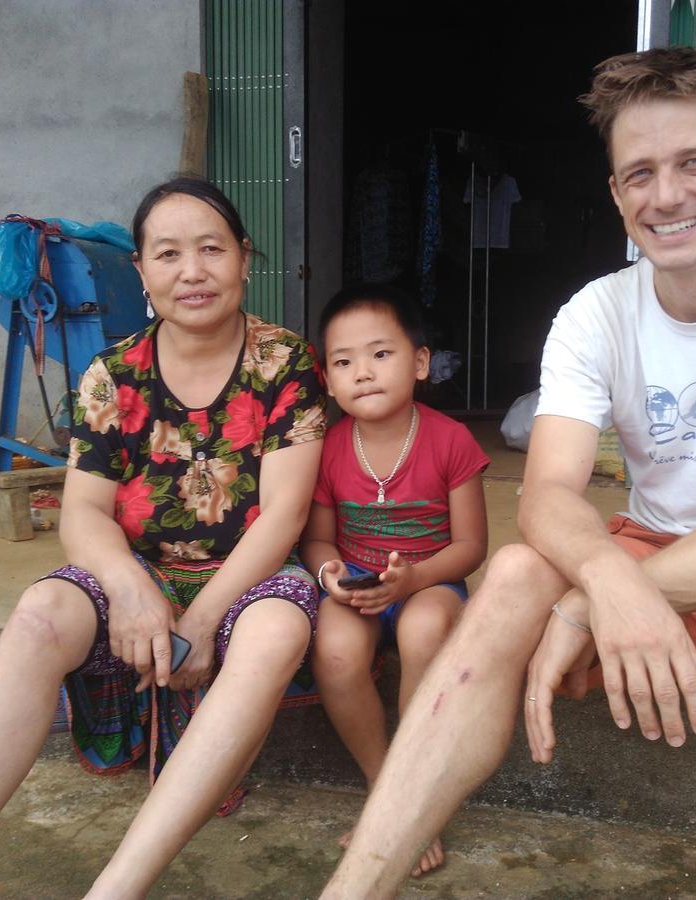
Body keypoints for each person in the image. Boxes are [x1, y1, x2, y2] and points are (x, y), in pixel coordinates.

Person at [321, 46, 696, 899]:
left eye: (694, 163)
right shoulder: (595, 313)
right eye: (639, 173)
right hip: (653, 542)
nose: (665, 195)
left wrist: (599, 599)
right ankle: (356, 887)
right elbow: (547, 495)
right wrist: (603, 579)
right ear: (616, 191)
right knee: (520, 569)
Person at [0, 176, 327, 900]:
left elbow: (283, 514)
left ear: (245, 260)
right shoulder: (111, 375)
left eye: (212, 249)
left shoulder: (285, 364)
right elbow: (83, 513)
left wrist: (204, 614)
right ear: (142, 271)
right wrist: (128, 588)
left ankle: (117, 889)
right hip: (139, 568)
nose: (193, 271)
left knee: (277, 629)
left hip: (247, 578)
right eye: (169, 254)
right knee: (38, 616)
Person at [301, 284, 489, 878]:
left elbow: (471, 547)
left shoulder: (450, 440)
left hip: (432, 580)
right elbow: (319, 540)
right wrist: (330, 572)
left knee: (426, 630)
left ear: (421, 362)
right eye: (343, 361)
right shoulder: (328, 450)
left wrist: (416, 581)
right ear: (327, 380)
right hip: (359, 582)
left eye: (381, 354)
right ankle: (385, 786)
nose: (362, 372)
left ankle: (414, 796)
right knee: (333, 652)